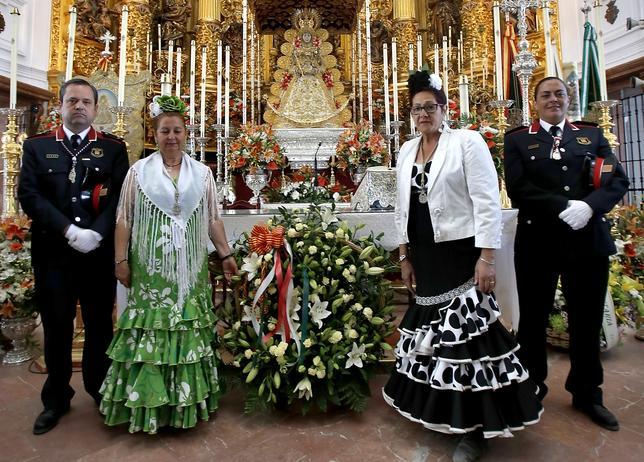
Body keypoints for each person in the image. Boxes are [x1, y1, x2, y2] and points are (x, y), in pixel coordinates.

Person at [383, 70, 542, 462]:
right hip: (425, 255)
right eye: (417, 108)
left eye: (430, 107)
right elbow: (402, 207)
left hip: (461, 255)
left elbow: (487, 203)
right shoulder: (405, 150)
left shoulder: (467, 143)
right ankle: (441, 410)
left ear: (444, 108)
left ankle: (476, 428)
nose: (423, 114)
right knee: (434, 336)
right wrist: (404, 256)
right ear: (411, 112)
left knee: (468, 340)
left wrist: (486, 258)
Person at [99, 95, 238, 434]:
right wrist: (120, 260)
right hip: (150, 270)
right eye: (164, 131)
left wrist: (226, 254)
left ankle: (183, 404)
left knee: (188, 327)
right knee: (152, 330)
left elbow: (212, 219)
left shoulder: (202, 174)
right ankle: (149, 405)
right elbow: (123, 220)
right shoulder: (139, 172)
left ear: (186, 134)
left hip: (189, 272)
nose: (171, 137)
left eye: (177, 130)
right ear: (155, 134)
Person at [504, 76, 629, 431]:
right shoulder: (517, 139)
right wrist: (563, 206)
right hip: (537, 243)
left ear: (568, 97)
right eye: (546, 95)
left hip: (586, 241)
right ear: (535, 101)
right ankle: (530, 385)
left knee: (586, 321)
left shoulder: (591, 136)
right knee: (532, 320)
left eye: (559, 93)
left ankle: (588, 393)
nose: (553, 99)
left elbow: (617, 180)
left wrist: (589, 208)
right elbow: (518, 188)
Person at [18, 78, 129, 435]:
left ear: (96, 109)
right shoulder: (37, 146)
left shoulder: (112, 148)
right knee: (56, 325)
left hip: (96, 254)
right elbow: (30, 196)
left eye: (86, 102)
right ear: (60, 107)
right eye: (72, 101)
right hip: (54, 254)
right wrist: (70, 231)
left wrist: (96, 232)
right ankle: (56, 399)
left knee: (100, 325)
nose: (79, 107)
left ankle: (100, 390)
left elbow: (120, 198)